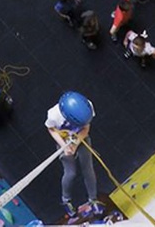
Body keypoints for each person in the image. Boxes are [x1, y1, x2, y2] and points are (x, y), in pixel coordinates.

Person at [45, 92, 103, 220]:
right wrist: (63, 146)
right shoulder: (53, 115)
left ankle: (93, 200)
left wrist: (76, 144)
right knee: (70, 173)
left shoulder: (87, 107)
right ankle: (66, 201)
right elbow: (51, 129)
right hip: (63, 141)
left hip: (80, 138)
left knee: (88, 168)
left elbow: (86, 128)